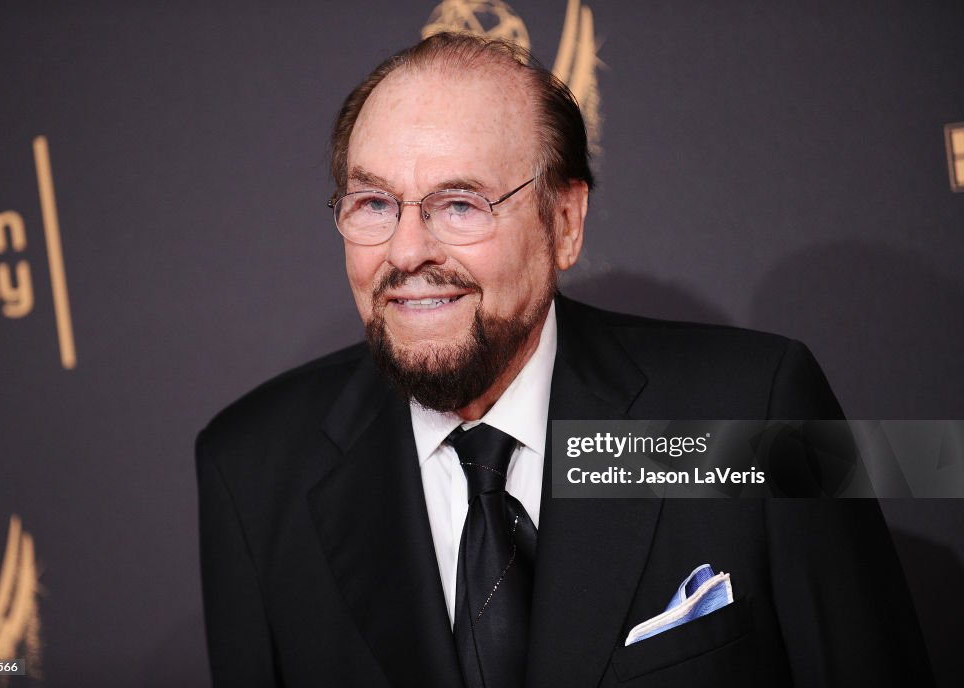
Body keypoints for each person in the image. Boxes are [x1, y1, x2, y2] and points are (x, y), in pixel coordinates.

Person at [196, 32, 931, 687]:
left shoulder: (753, 407)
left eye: (460, 204)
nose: (408, 250)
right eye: (374, 204)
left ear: (565, 224)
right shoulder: (253, 469)